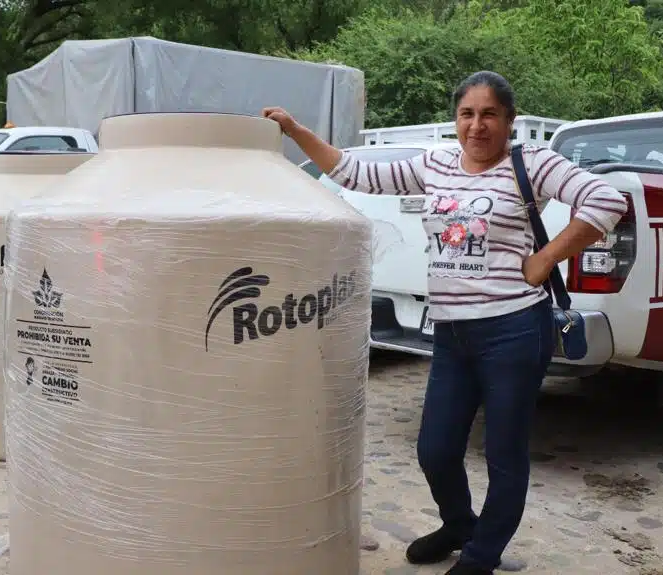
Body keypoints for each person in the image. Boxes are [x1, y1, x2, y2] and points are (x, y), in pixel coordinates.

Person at [263, 71, 627, 575]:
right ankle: (459, 524)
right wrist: (296, 131)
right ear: (456, 119)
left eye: (490, 115)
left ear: (509, 120)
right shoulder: (435, 162)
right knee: (435, 449)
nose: (477, 126)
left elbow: (607, 201)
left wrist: (544, 261)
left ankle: (481, 556)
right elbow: (355, 173)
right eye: (467, 114)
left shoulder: (532, 162)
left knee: (503, 455)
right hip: (453, 333)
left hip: (514, 329)